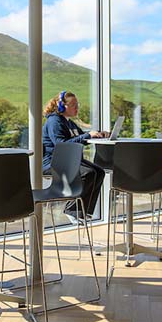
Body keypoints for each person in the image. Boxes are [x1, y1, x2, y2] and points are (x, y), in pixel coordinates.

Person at [42, 91, 107, 224]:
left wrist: (100, 134)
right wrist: (88, 136)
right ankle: (71, 210)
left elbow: (81, 136)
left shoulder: (69, 123)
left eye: (77, 104)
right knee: (89, 173)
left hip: (69, 161)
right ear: (62, 106)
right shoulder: (54, 121)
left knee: (99, 172)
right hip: (54, 163)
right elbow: (62, 145)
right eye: (73, 105)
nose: (77, 108)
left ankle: (84, 212)